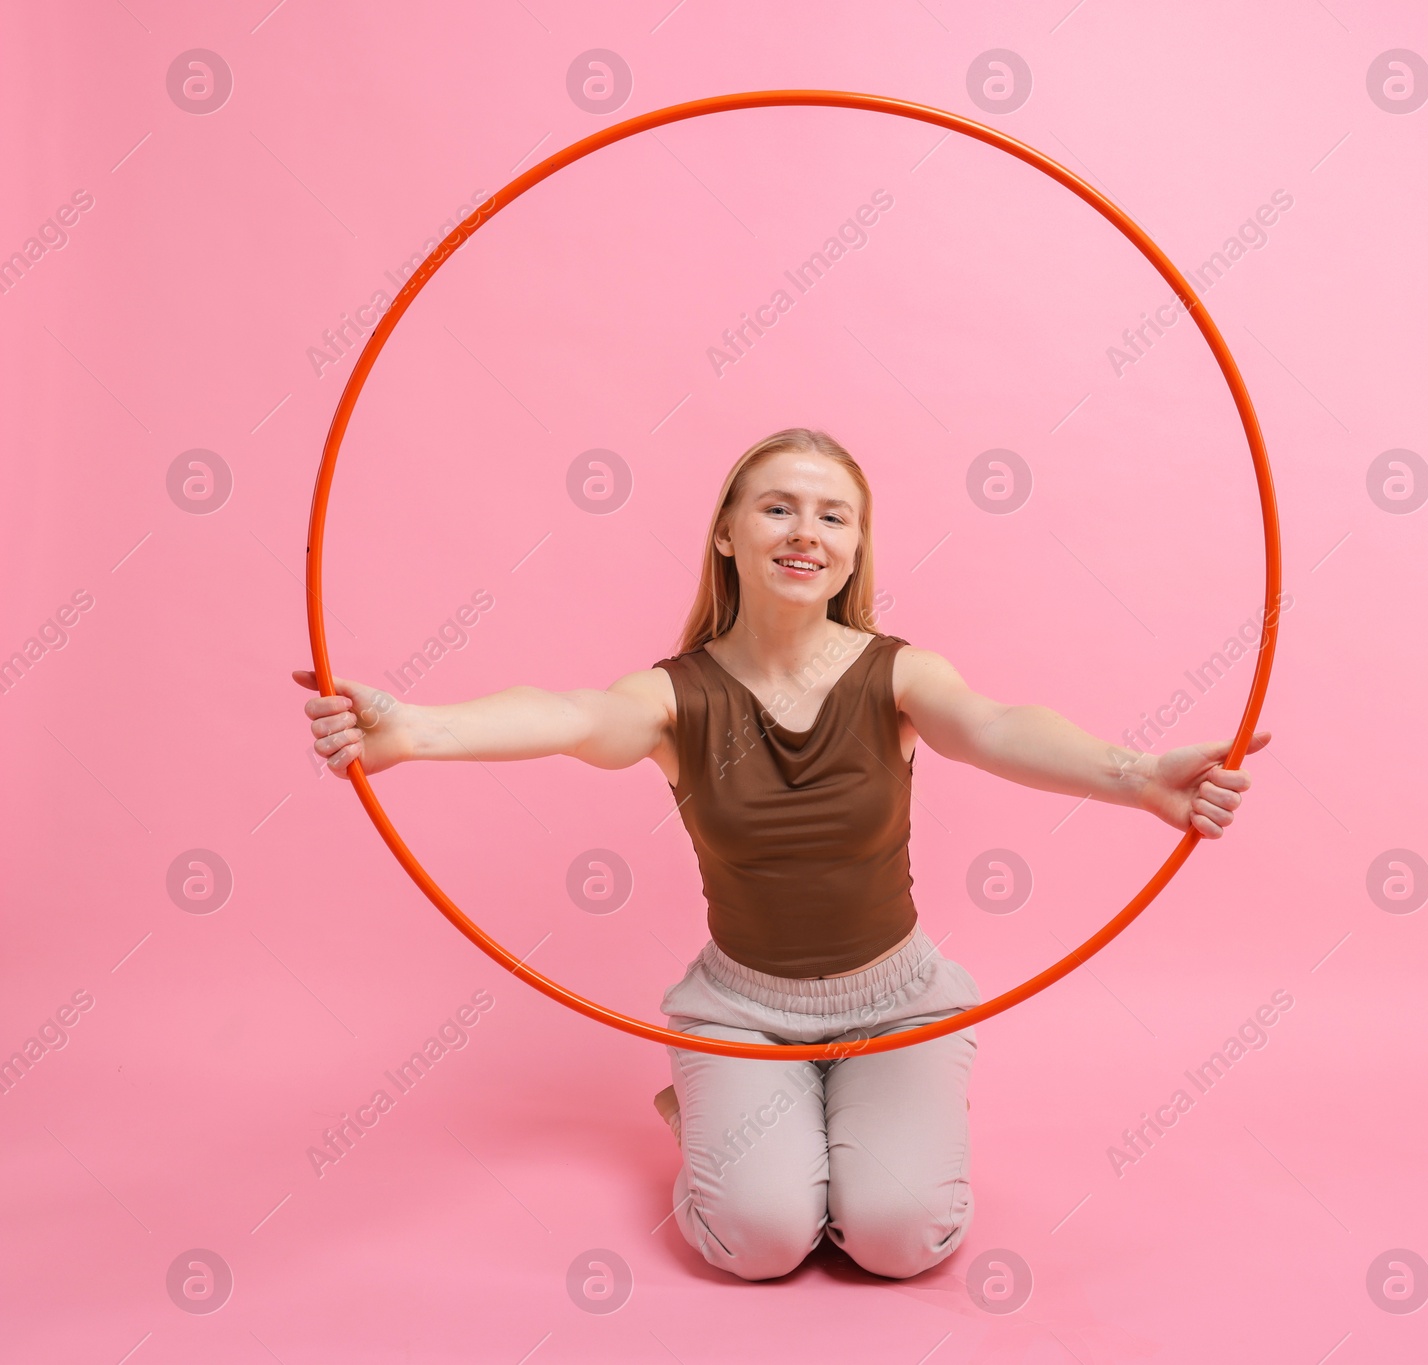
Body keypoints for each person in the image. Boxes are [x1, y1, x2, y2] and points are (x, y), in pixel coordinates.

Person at [293, 427, 1268, 1282]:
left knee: (897, 1239)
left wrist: (1137, 775)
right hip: (742, 1013)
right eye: (777, 507)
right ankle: (716, 1113)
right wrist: (411, 730)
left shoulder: (900, 675)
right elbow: (566, 716)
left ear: (854, 552)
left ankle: (854, 1123)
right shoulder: (673, 695)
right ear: (727, 533)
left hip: (900, 1003)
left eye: (833, 517)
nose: (806, 531)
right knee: (757, 1242)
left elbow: (999, 726)